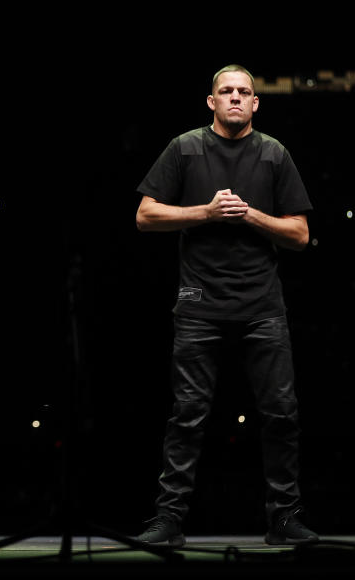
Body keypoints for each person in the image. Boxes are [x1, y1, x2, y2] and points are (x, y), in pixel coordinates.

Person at [133, 65, 318, 546]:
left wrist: (251, 214)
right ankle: (169, 520)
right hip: (199, 305)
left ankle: (284, 518)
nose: (235, 98)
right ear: (211, 101)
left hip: (262, 306)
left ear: (256, 103)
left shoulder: (273, 153)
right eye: (226, 92)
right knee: (187, 416)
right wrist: (207, 213)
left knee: (281, 414)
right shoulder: (185, 147)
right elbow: (145, 215)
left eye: (244, 92)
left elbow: (300, 234)